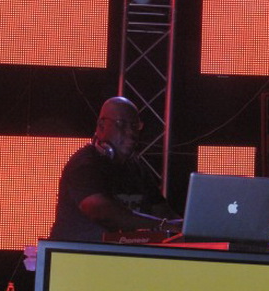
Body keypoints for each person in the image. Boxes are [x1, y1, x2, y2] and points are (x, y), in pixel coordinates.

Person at [49, 96, 181, 242]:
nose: (131, 132)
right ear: (101, 125)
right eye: (121, 124)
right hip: (75, 253)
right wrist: (161, 225)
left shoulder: (136, 169)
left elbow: (162, 212)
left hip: (116, 253)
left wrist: (187, 227)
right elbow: (100, 211)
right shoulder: (85, 164)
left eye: (135, 126)